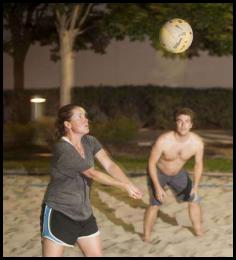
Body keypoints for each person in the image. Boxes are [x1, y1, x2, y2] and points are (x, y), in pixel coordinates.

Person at [40, 104, 143, 257]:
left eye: (85, 116)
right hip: (59, 212)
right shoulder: (62, 148)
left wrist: (129, 184)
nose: (85, 120)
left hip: (84, 213)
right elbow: (91, 173)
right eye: (79, 116)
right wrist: (122, 186)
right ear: (67, 124)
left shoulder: (90, 141)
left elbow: (109, 165)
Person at [143, 107, 204, 243]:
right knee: (155, 204)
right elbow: (151, 163)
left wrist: (196, 186)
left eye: (187, 121)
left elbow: (198, 164)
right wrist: (158, 187)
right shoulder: (164, 141)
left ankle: (198, 231)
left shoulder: (197, 143)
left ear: (191, 124)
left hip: (178, 173)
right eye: (180, 121)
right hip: (159, 172)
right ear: (175, 123)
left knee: (194, 199)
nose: (183, 125)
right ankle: (146, 236)